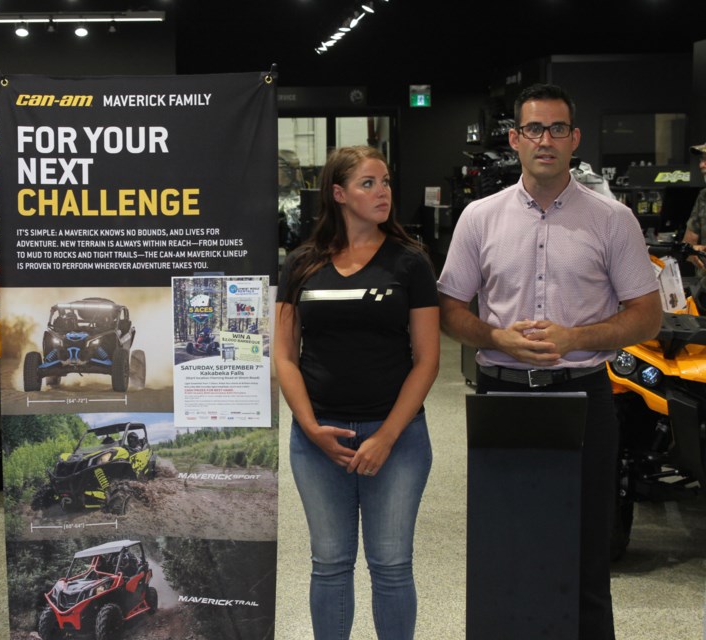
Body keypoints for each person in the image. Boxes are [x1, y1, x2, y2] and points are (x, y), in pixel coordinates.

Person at [437, 83, 661, 640]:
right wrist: (498, 337)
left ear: (575, 139)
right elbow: (448, 310)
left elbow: (647, 317)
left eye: (558, 129)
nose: (546, 140)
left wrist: (574, 336)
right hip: (503, 395)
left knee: (587, 555)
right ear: (515, 139)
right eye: (534, 129)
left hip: (583, 395)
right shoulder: (479, 218)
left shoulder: (613, 221)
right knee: (505, 550)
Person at [275, 146, 439, 639]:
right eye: (369, 183)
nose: (383, 192)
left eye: (386, 182)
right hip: (319, 438)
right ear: (339, 194)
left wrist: (387, 436)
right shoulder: (302, 264)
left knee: (390, 566)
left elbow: (427, 360)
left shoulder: (410, 264)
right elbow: (284, 355)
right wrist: (310, 429)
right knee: (329, 564)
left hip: (398, 439)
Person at [680, 142, 706, 272]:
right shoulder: (704, 196)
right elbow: (688, 244)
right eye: (702, 159)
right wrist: (691, 251)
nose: (701, 165)